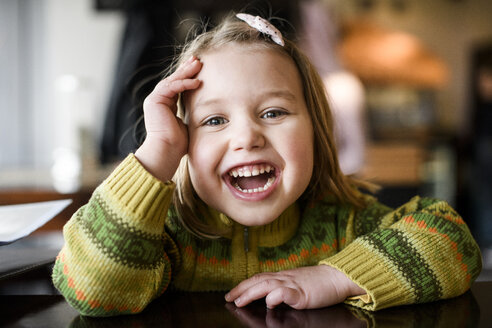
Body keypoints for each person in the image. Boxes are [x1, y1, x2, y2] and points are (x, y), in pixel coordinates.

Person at [52, 13, 482, 317]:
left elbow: (454, 243)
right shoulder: (165, 236)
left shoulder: (343, 224)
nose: (246, 138)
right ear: (185, 143)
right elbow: (92, 290)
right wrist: (156, 152)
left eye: (273, 112)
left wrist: (334, 278)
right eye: (215, 120)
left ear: (316, 129)